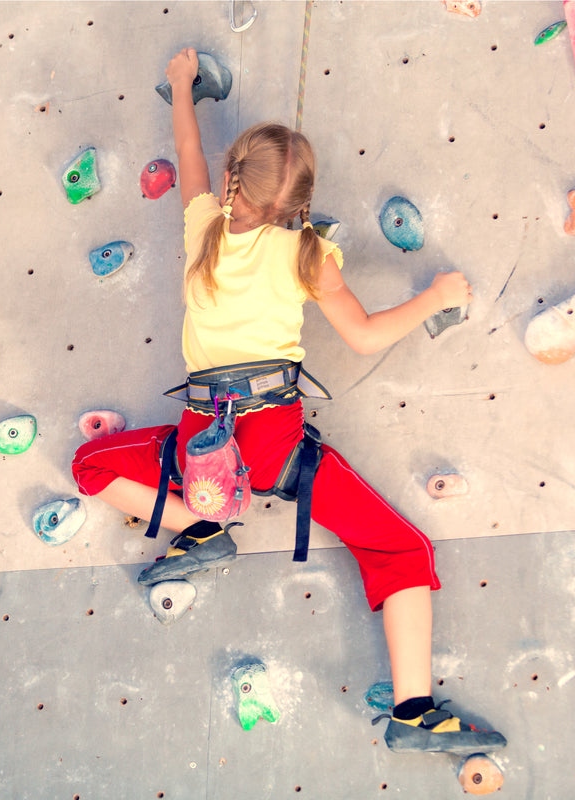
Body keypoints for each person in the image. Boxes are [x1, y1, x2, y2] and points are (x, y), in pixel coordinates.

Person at [73, 48, 506, 756]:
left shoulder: (201, 227)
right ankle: (414, 710)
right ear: (301, 206)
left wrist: (183, 85)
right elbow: (364, 337)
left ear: (231, 183)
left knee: (91, 464)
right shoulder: (310, 256)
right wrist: (433, 298)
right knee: (398, 547)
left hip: (200, 448)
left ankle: (203, 529)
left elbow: (187, 148)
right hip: (277, 450)